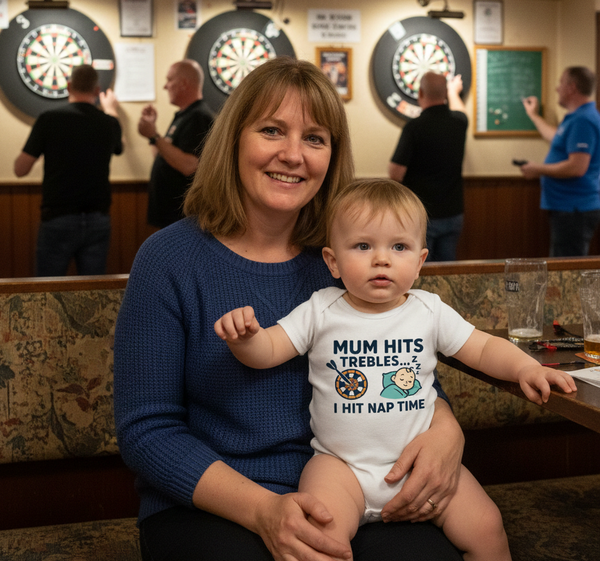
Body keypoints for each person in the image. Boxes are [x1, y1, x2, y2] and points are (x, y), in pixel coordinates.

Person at [114, 57, 469, 561]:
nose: (293, 155)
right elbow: (146, 430)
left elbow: (412, 371)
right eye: (272, 130)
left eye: (316, 139)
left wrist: (447, 432)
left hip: (359, 488)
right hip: (213, 502)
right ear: (234, 139)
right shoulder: (168, 259)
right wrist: (264, 510)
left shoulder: (351, 258)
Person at [215, 178, 577, 561]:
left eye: (399, 246)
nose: (381, 259)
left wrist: (525, 367)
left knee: (487, 525)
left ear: (420, 261)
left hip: (419, 466)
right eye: (363, 246)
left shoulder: (428, 310)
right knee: (317, 541)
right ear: (333, 261)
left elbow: (483, 346)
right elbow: (268, 349)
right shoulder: (320, 308)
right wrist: (245, 339)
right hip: (340, 468)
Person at [13, 64, 123, 276]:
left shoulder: (49, 119)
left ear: (69, 85)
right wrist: (111, 110)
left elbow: (20, 169)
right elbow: (118, 146)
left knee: (47, 292)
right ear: (96, 90)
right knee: (93, 294)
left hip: (58, 216)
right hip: (97, 218)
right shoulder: (108, 123)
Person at [520, 66, 600, 257]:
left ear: (571, 87)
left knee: (567, 274)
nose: (557, 88)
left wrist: (537, 169)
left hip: (574, 211)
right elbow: (555, 137)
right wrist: (534, 115)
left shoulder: (583, 120)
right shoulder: (576, 118)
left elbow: (577, 167)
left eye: (561, 83)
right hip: (568, 209)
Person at [388, 71, 468, 261]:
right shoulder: (459, 122)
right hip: (453, 212)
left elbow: (395, 172)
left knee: (422, 271)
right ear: (444, 95)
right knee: (449, 272)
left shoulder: (414, 127)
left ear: (420, 94)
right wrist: (453, 92)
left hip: (422, 215)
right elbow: (461, 111)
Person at [138, 59, 213, 229]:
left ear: (184, 83)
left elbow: (190, 165)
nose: (165, 87)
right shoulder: (184, 115)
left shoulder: (198, 117)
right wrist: (152, 135)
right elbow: (164, 157)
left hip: (182, 218)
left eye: (169, 80)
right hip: (170, 217)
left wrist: (155, 136)